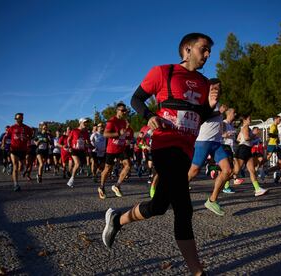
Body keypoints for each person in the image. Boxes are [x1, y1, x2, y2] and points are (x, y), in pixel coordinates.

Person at [102, 33, 219, 276]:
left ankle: (117, 220)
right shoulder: (162, 72)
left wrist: (211, 106)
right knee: (184, 210)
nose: (207, 55)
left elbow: (200, 116)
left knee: (158, 206)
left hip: (187, 148)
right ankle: (198, 272)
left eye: (209, 51)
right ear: (187, 49)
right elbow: (136, 99)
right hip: (165, 146)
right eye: (203, 49)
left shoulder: (204, 82)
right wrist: (150, 116)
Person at [187, 100, 232, 216]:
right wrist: (219, 112)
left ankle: (212, 200)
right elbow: (201, 117)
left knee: (227, 171)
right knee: (193, 171)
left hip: (216, 142)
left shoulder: (219, 105)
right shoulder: (204, 103)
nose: (216, 93)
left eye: (218, 90)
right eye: (214, 90)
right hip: (203, 141)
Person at [98, 103, 130, 199]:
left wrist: (126, 138)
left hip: (121, 148)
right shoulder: (111, 121)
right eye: (122, 110)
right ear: (117, 110)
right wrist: (118, 133)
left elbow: (124, 134)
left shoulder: (124, 122)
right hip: (111, 149)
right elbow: (105, 134)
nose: (124, 112)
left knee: (128, 165)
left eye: (125, 111)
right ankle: (102, 187)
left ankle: (117, 186)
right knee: (107, 169)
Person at [233, 115, 268, 196]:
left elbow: (238, 139)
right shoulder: (245, 127)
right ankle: (225, 182)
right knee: (236, 170)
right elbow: (246, 138)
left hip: (247, 149)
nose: (251, 120)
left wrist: (248, 139)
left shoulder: (246, 128)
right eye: (249, 119)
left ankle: (257, 189)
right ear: (244, 120)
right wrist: (254, 135)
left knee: (252, 170)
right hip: (243, 149)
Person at [7, 113, 33, 191]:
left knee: (21, 167)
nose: (19, 119)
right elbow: (7, 137)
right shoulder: (12, 128)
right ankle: (16, 184)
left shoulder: (27, 128)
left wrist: (28, 139)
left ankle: (14, 167)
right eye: (17, 118)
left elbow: (31, 136)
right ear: (15, 119)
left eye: (21, 118)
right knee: (15, 166)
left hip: (23, 149)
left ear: (22, 118)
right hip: (14, 149)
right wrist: (5, 145)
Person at [66, 118, 90, 188]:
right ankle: (72, 179)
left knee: (78, 165)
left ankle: (72, 177)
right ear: (80, 123)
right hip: (74, 150)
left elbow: (88, 142)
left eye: (87, 123)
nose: (86, 124)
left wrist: (91, 146)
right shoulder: (74, 130)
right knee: (77, 163)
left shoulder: (86, 132)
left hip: (81, 150)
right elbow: (68, 140)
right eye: (84, 122)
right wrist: (69, 147)